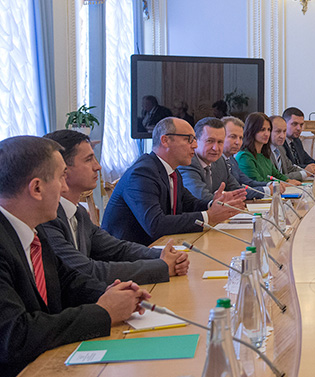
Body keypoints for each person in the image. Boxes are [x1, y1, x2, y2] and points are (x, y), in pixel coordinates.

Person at [0, 136, 151, 375]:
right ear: (37, 188)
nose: (64, 187)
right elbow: (14, 335)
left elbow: (68, 281)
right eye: (61, 177)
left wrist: (113, 294)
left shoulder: (33, 229)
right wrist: (104, 312)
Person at [40, 130, 189, 285]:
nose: (97, 166)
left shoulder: (79, 213)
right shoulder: (47, 220)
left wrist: (164, 255)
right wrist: (161, 266)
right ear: (63, 170)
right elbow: (86, 270)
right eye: (89, 159)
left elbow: (118, 249)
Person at [101, 117, 243, 245]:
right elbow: (156, 225)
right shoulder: (143, 173)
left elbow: (190, 204)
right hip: (129, 259)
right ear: (165, 140)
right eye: (189, 139)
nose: (194, 145)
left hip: (158, 249)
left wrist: (215, 204)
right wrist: (208, 216)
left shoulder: (171, 171)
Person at [178, 117, 273, 203]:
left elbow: (236, 190)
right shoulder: (188, 163)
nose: (216, 148)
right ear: (195, 141)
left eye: (220, 142)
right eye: (210, 141)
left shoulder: (220, 161)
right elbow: (202, 197)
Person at [234, 112, 297, 184]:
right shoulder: (244, 157)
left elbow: (276, 174)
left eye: (269, 129)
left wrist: (289, 181)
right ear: (252, 130)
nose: (267, 134)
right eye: (262, 129)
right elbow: (257, 182)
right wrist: (284, 184)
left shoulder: (264, 154)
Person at [269, 115, 308, 181]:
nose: (282, 136)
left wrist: (310, 172)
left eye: (284, 131)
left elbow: (290, 168)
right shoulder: (263, 152)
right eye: (278, 131)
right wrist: (305, 173)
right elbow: (275, 178)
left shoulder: (280, 148)